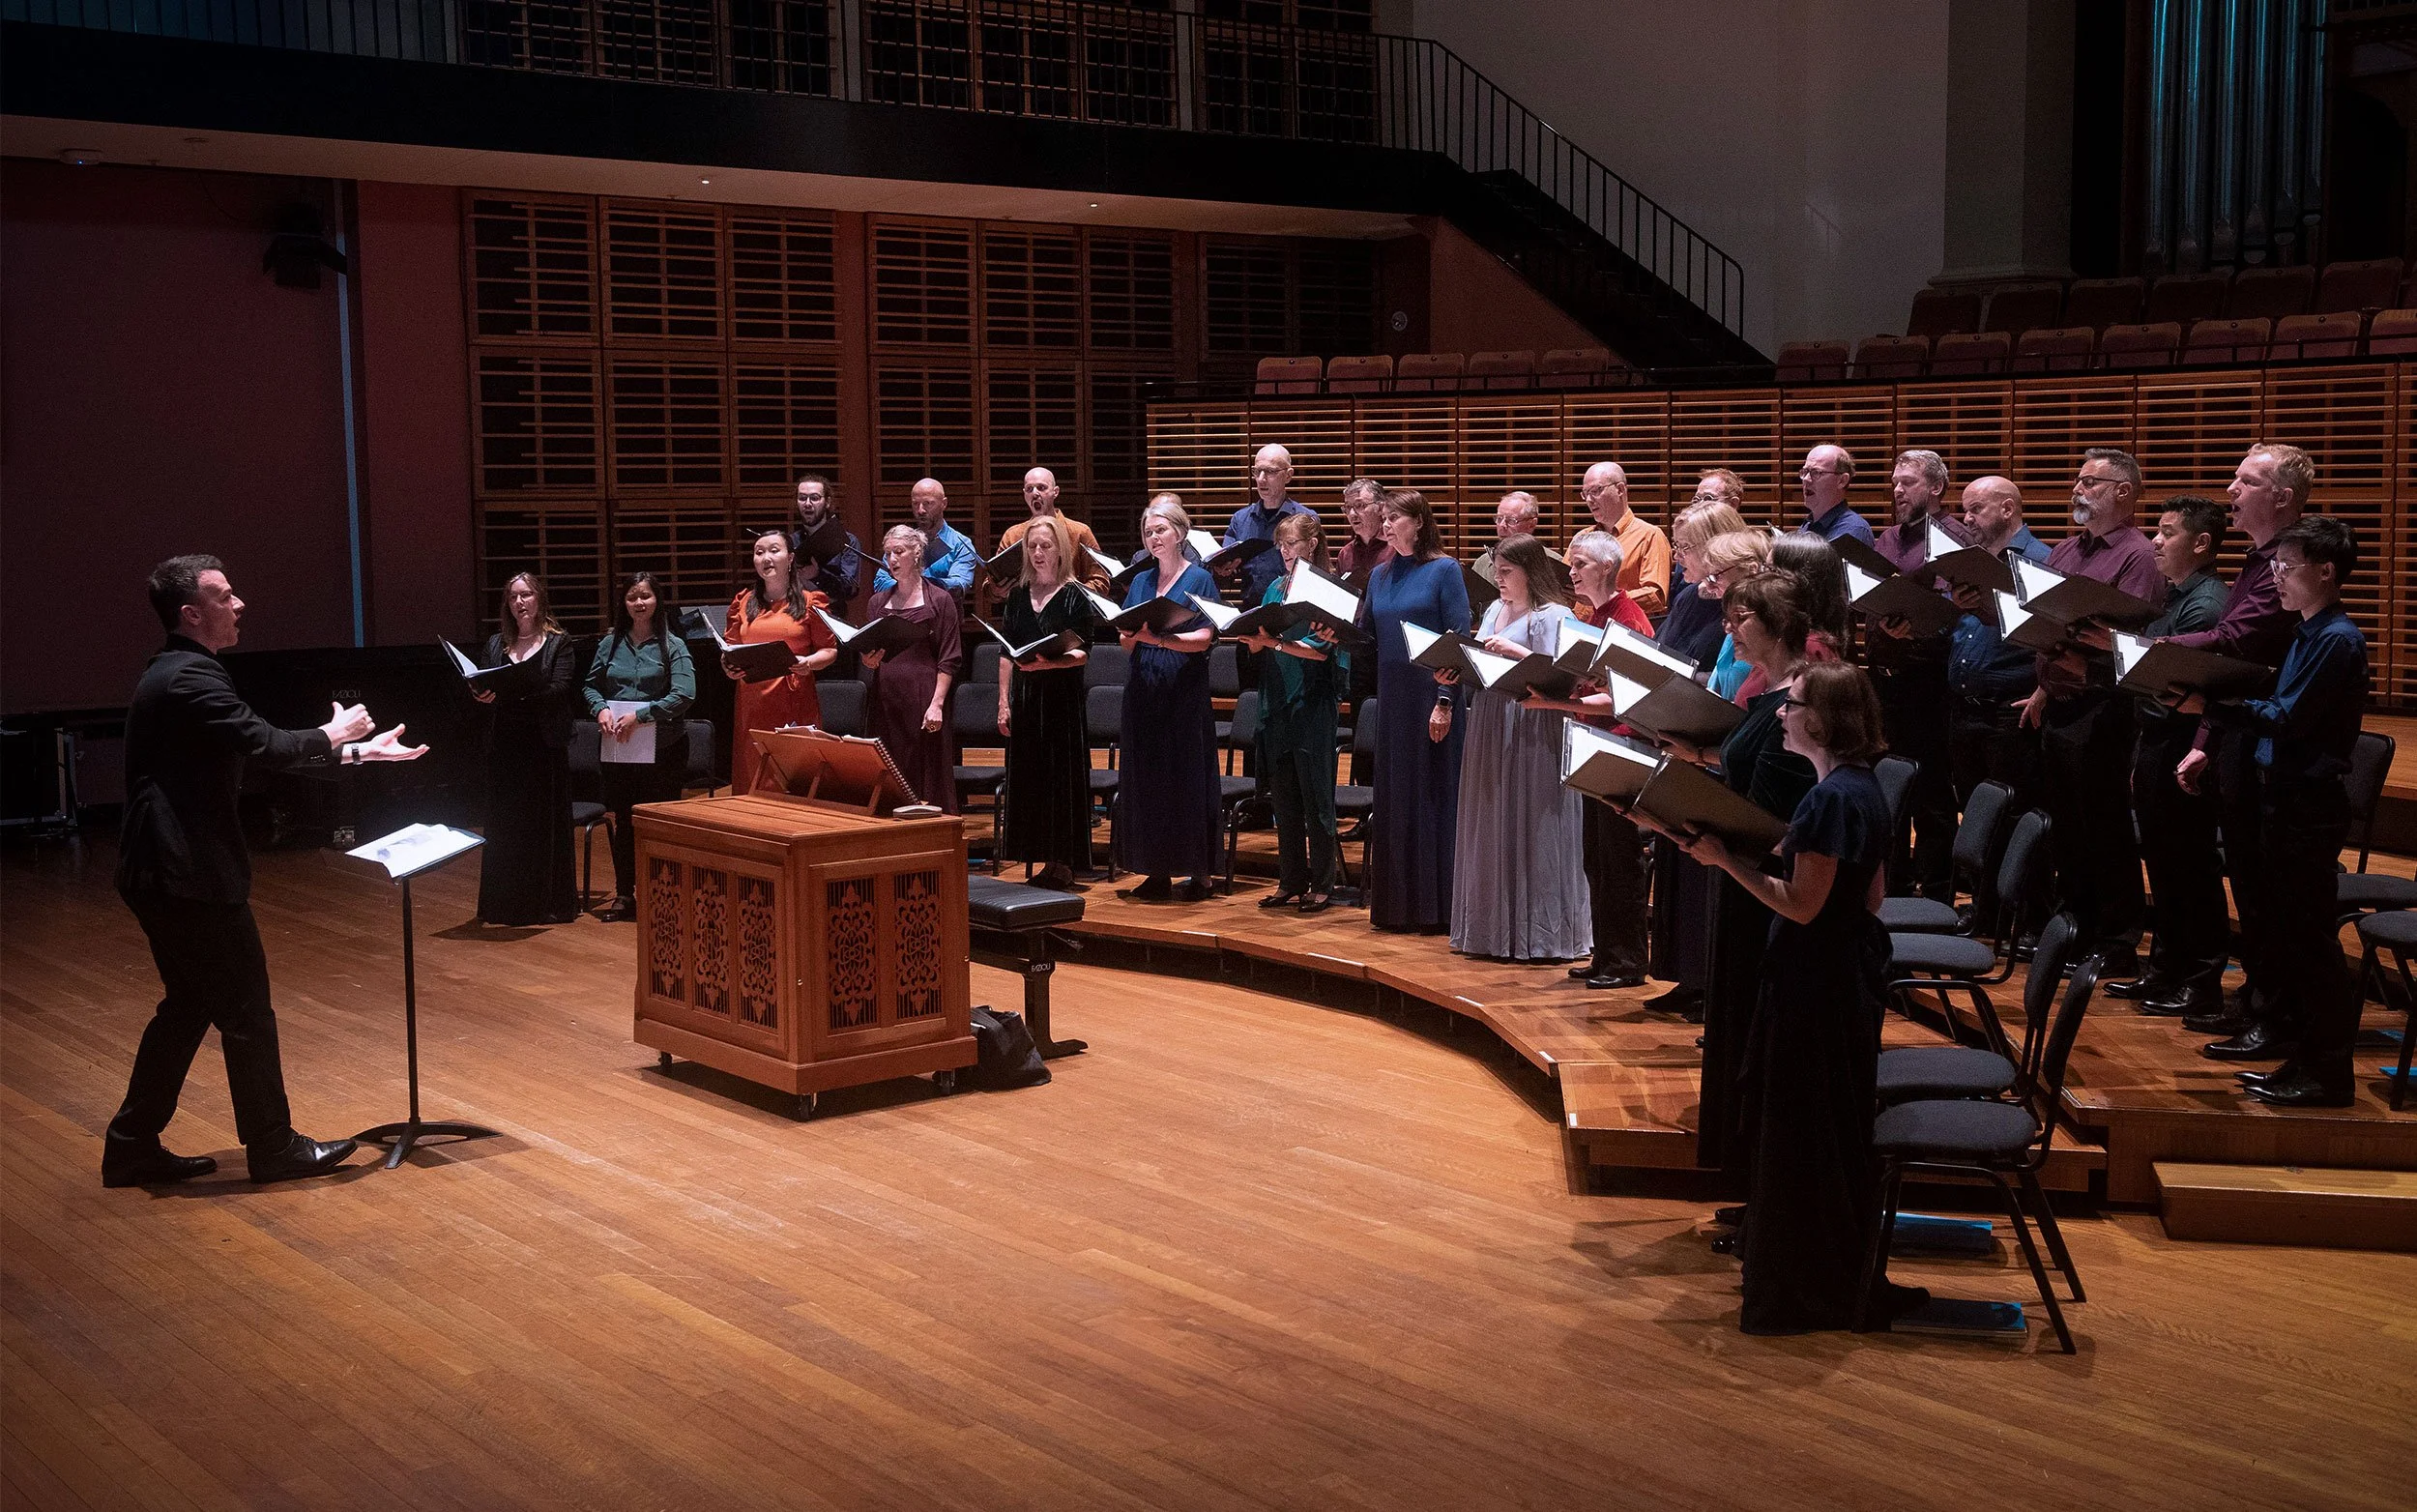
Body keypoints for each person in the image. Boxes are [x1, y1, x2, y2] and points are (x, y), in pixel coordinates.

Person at [104, 554, 424, 1188]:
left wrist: (358, 751)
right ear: (192, 614)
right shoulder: (189, 680)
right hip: (185, 873)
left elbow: (255, 755)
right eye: (225, 595)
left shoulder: (187, 675)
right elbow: (269, 745)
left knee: (190, 1005)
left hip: (165, 872)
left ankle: (131, 1143)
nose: (240, 603)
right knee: (246, 1012)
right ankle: (273, 1148)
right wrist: (333, 732)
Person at [1675, 662, 1923, 1334]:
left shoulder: (1828, 801)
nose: (1782, 713)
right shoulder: (1859, 787)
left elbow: (1804, 906)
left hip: (1812, 984)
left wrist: (1727, 862)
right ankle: (1834, 1271)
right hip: (1848, 974)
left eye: (1794, 704)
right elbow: (1867, 898)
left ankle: (1801, 1291)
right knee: (1830, 1131)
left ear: (1823, 719)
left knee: (1799, 1132)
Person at [2176, 516, 2368, 1103]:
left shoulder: (2336, 637)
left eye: (2288, 567)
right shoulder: (2309, 631)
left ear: (2326, 572)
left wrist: (2211, 703)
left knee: (2310, 942)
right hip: (2283, 798)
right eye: (2276, 566)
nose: (2276, 577)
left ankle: (2329, 1069)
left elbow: (2287, 719)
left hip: (2307, 805)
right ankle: (2303, 1055)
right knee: (2287, 934)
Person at [1640, 567, 1818, 1175]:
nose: (1729, 629)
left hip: (1761, 887)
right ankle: (1746, 1181)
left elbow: (1771, 810)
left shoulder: (1803, 696)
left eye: (1741, 619)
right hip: (1738, 874)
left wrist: (1682, 812)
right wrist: (1702, 757)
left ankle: (1759, 1183)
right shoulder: (1772, 691)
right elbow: (1758, 765)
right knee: (1736, 1024)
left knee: (1752, 1030)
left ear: (1776, 624)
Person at [2156, 444, 2314, 1038]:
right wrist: (2203, 738)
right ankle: (2256, 1001)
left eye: (2245, 482)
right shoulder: (2258, 560)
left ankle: (2271, 1010)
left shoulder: (2287, 562)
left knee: (2261, 886)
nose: (2230, 491)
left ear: (2281, 497)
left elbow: (2237, 640)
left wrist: (2160, 650)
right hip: (2235, 731)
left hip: (2264, 741)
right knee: (2247, 881)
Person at [2017, 448, 2164, 975]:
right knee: (2066, 825)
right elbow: (2040, 613)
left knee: (2103, 826)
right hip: (2059, 701)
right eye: (2077, 479)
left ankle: (2118, 938)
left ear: (2122, 491)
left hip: (2105, 707)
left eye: (2089, 481)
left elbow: (2136, 636)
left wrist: (2085, 653)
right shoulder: (2064, 549)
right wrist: (2043, 683)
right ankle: (2072, 926)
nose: (2077, 489)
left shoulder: (2137, 555)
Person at [2107, 499, 2229, 1015]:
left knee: (2189, 866)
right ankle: (2164, 970)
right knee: (2163, 862)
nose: (2154, 541)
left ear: (2200, 544)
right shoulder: (2176, 596)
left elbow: (2161, 669)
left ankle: (2199, 979)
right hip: (2156, 738)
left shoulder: (2207, 602)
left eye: (2166, 533)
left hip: (2184, 745)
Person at [1450, 535, 1590, 962]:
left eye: (1507, 572)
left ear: (1530, 572)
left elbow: (1565, 676)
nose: (1499, 579)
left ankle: (1541, 934)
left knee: (1535, 820)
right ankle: (1494, 931)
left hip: (1533, 722)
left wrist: (1515, 651)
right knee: (1492, 818)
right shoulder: (1493, 608)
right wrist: (1457, 671)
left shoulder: (1554, 614)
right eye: (1497, 571)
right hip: (1493, 719)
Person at [1525, 529, 1655, 987]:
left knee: (1619, 858)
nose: (1571, 571)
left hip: (1621, 746)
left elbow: (1628, 698)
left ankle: (1628, 961)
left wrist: (1557, 703)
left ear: (1605, 568)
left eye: (1579, 564)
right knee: (1595, 857)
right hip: (1592, 742)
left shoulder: (1629, 619)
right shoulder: (1592, 615)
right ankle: (1606, 954)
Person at [1364, 489, 1471, 933]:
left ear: (1419, 523)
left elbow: (1459, 641)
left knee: (1432, 797)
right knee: (1397, 798)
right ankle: (1397, 907)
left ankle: (1436, 908)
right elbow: (1367, 636)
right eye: (1384, 517)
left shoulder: (1444, 570)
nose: (1386, 525)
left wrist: (1445, 702)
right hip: (1394, 704)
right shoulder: (1379, 575)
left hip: (1432, 701)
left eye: (1395, 518)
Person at [1115, 498, 1222, 902]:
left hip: (1183, 693)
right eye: (1148, 532)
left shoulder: (1200, 580)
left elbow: (1205, 638)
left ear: (1180, 533)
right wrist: (1131, 634)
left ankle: (1199, 872)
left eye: (1160, 530)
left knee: (1186, 778)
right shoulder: (1141, 581)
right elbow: (1125, 640)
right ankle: (1155, 870)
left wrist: (1156, 637)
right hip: (1144, 691)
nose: (1153, 537)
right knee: (1149, 781)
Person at [1238, 512, 1347, 912]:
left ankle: (1322, 884)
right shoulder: (1274, 588)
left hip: (1313, 703)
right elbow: (1259, 641)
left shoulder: (1331, 590)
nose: (1285, 553)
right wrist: (1253, 637)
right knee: (1283, 798)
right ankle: (1290, 879)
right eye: (1281, 546)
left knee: (1316, 797)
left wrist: (1276, 644)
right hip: (1277, 700)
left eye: (1293, 545)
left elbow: (1322, 653)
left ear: (1313, 544)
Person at [1866, 450, 1960, 899]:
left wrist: (1912, 626)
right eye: (1895, 483)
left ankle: (1939, 891)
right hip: (1885, 678)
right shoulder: (1888, 537)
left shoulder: (1951, 537)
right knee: (1891, 786)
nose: (1898, 491)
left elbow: (1951, 608)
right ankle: (1896, 885)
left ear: (1936, 488)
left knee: (1931, 793)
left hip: (1928, 681)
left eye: (1908, 483)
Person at [583, 570, 696, 922]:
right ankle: (624, 895)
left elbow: (685, 694)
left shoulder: (673, 644)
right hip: (620, 749)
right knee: (625, 821)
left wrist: (643, 715)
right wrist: (599, 708)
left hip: (663, 748)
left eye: (645, 596)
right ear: (625, 603)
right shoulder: (610, 643)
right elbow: (590, 686)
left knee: (657, 823)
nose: (639, 603)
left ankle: (665, 893)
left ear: (657, 600)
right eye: (632, 597)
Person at [473, 571, 578, 926]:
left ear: (539, 598)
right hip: (505, 744)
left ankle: (545, 904)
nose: (520, 603)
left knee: (541, 826)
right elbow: (483, 683)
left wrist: (517, 693)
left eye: (527, 595)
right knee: (506, 826)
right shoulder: (495, 644)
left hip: (543, 746)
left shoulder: (558, 643)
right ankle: (504, 905)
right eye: (514, 597)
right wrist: (481, 693)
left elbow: (561, 687)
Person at [1942, 476, 2052, 816]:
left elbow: (2055, 633)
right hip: (1964, 709)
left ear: (2007, 509)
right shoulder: (1969, 561)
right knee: (1973, 819)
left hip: (2010, 713)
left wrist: (2043, 689)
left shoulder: (2041, 559)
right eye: (1965, 511)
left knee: (2013, 816)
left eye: (1976, 509)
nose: (1967, 519)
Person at [995, 516, 1092, 889]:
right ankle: (1038, 856)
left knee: (1059, 778)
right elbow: (1006, 652)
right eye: (1032, 546)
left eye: (1045, 546)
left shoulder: (1074, 595)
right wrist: (1003, 701)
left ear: (1061, 551)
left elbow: (1084, 652)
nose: (1037, 552)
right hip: (1026, 697)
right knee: (1030, 777)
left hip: (1061, 699)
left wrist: (1048, 662)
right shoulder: (1018, 596)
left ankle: (1063, 861)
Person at [726, 526, 839, 795]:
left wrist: (808, 662)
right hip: (752, 702)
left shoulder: (811, 601)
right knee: (754, 778)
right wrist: (728, 667)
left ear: (790, 558)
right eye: (759, 552)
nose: (765, 558)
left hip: (793, 700)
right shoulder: (743, 602)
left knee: (794, 780)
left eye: (774, 551)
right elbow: (731, 649)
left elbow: (830, 651)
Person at [859, 525, 963, 812]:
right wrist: (869, 661)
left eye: (898, 552)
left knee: (927, 773)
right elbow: (871, 654)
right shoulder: (877, 602)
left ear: (916, 552)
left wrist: (937, 704)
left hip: (924, 697)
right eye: (888, 553)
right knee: (889, 772)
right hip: (886, 698)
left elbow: (949, 657)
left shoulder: (940, 600)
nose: (891, 559)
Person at [985, 467, 1112, 615]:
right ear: (1024, 494)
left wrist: (1068, 596)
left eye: (1041, 487)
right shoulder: (1013, 535)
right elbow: (989, 588)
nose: (1035, 493)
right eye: (1029, 489)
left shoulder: (1080, 532)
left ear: (1055, 492)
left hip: (1069, 616)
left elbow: (1101, 582)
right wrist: (996, 590)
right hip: (1025, 617)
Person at [1658, 498, 1748, 668]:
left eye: (1685, 547)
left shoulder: (1747, 607)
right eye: (1676, 546)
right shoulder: (1688, 595)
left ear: (1713, 545)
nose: (1676, 557)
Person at [1225, 444, 1318, 607]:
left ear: (1288, 476)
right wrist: (1223, 569)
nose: (1261, 478)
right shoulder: (1240, 519)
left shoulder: (1306, 518)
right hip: (1250, 611)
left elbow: (1318, 570)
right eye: (1257, 471)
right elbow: (1225, 570)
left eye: (1270, 471)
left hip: (1291, 612)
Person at [1574, 460, 1672, 617]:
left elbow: (1655, 596)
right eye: (1585, 493)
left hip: (1623, 629)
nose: (1589, 500)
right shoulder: (1582, 537)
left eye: (1596, 490)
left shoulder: (1650, 535)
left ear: (1620, 489)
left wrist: (1605, 599)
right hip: (1580, 628)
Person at [870, 478, 978, 603]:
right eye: (915, 504)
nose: (920, 510)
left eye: (928, 503)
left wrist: (915, 584)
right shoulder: (901, 541)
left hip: (941, 618)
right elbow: (880, 582)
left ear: (944, 504)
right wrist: (915, 586)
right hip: (901, 618)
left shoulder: (961, 544)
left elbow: (959, 586)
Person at [1702, 529, 1775, 700]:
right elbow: (1714, 690)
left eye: (1716, 576)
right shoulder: (1733, 625)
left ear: (1752, 570)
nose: (1709, 587)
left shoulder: (1767, 629)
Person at [793, 473, 865, 613]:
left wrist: (817, 575)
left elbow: (850, 590)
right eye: (802, 498)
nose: (807, 503)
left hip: (832, 617)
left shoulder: (848, 541)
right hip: (796, 615)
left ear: (827, 502)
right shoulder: (790, 542)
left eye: (814, 498)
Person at [1797, 444, 1875, 545]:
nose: (1806, 479)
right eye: (1805, 471)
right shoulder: (1807, 526)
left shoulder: (1854, 530)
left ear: (1842, 481)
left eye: (1816, 472)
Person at [1470, 491, 1541, 591]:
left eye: (1511, 520)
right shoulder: (1483, 563)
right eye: (1499, 519)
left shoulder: (1551, 562)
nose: (1502, 525)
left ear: (1531, 524)